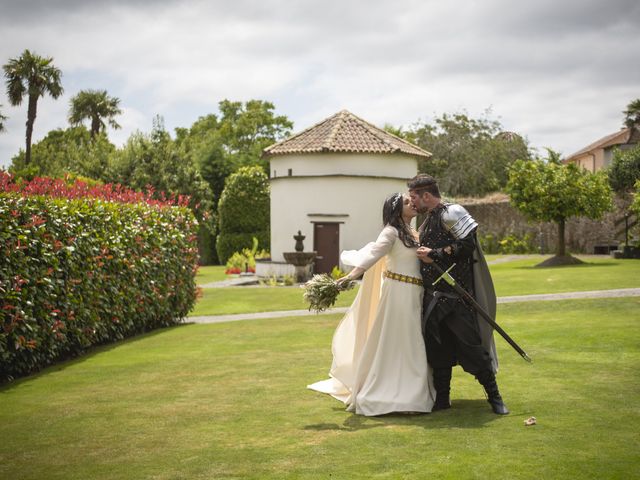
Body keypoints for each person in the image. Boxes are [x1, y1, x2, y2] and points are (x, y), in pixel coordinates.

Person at [307, 193, 436, 416]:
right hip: (398, 293)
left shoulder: (414, 233)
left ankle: (413, 390)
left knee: (413, 337)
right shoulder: (391, 232)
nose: (412, 203)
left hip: (415, 293)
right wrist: (350, 276)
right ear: (396, 210)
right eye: (407, 202)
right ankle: (395, 394)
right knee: (404, 340)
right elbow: (373, 256)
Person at [407, 174, 509, 415]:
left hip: (456, 299)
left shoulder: (452, 213)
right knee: (437, 351)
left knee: (472, 349)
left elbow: (467, 246)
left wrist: (437, 253)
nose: (413, 203)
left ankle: (495, 397)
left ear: (427, 196)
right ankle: (442, 400)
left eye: (414, 198)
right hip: (433, 298)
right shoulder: (428, 219)